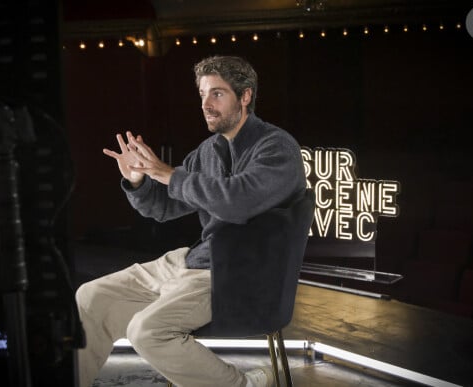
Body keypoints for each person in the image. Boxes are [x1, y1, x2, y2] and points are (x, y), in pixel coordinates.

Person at [75, 55, 306, 387]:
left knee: (147, 331)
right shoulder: (208, 151)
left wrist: (169, 173)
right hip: (193, 260)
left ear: (245, 96)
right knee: (90, 297)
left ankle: (243, 385)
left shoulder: (277, 148)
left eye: (217, 94)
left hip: (237, 274)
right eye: (202, 94)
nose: (206, 104)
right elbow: (165, 206)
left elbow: (236, 202)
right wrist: (139, 181)